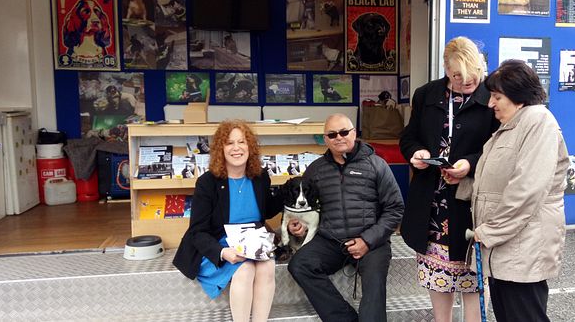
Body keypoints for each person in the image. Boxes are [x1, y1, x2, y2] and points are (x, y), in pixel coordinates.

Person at [398, 36, 499, 322]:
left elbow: (499, 148)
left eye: (472, 76)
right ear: (445, 69)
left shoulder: (492, 96)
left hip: (472, 203)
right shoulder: (426, 95)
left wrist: (471, 164)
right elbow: (408, 137)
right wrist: (416, 152)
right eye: (457, 77)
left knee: (474, 280)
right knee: (438, 278)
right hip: (432, 202)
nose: (466, 83)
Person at [469, 59, 569, 322]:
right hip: (507, 249)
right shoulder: (514, 125)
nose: (491, 104)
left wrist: (489, 232)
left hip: (523, 249)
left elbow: (526, 191)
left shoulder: (538, 122)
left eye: (497, 96)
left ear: (519, 96)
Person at [287, 113, 404, 322]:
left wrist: (368, 240)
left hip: (372, 241)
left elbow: (395, 208)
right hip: (330, 240)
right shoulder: (315, 170)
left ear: (354, 133)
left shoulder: (376, 164)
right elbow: (308, 208)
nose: (339, 137)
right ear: (325, 139)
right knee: (299, 264)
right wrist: (299, 226)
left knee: (375, 282)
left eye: (344, 132)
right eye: (332, 134)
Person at [173, 120, 283, 322]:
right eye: (229, 143)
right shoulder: (207, 182)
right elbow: (197, 232)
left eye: (242, 142)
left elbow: (266, 210)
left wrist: (292, 193)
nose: (236, 148)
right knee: (245, 269)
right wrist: (223, 252)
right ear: (220, 149)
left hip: (252, 239)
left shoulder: (260, 176)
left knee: (267, 267)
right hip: (218, 242)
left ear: (250, 146)